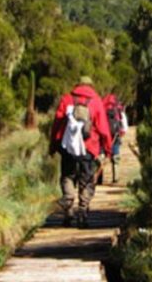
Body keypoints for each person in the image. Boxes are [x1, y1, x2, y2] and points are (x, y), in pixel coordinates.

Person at [49, 76, 113, 227]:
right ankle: (83, 212)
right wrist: (108, 149)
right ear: (91, 86)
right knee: (87, 179)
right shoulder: (96, 101)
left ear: (77, 85)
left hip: (68, 148)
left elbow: (57, 123)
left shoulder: (67, 99)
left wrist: (53, 145)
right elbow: (103, 128)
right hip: (89, 148)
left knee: (68, 176)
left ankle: (68, 204)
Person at [103, 93, 129, 184]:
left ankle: (98, 178)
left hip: (104, 135)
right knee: (115, 156)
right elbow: (124, 125)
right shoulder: (118, 109)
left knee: (101, 156)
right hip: (116, 135)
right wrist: (121, 133)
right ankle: (116, 177)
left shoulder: (103, 107)